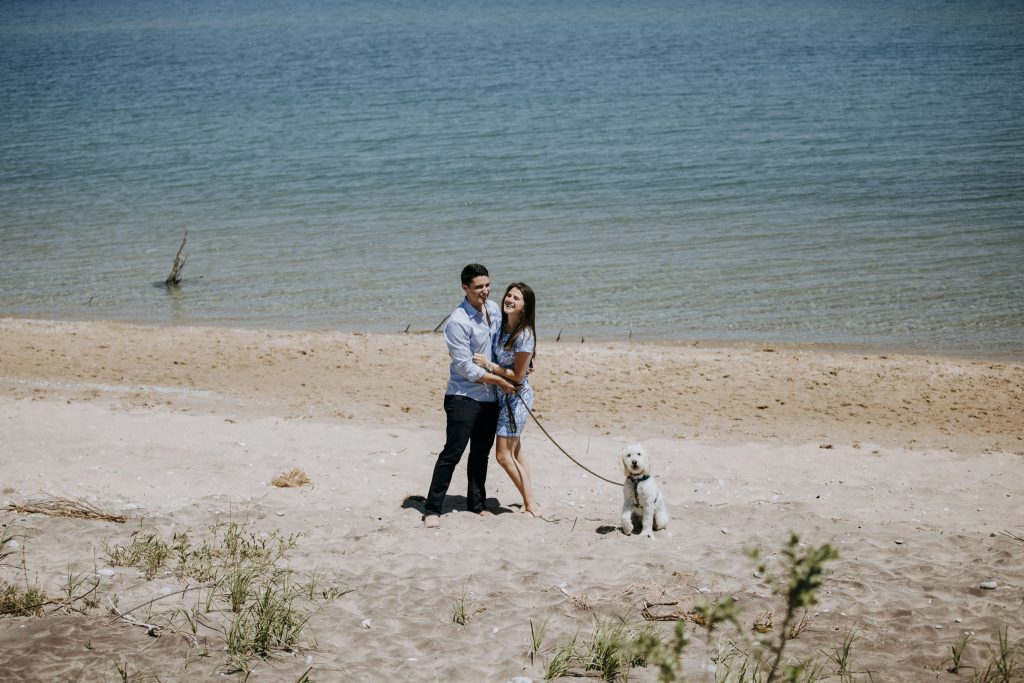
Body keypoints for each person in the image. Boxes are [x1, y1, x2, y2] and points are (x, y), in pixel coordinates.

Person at [423, 264, 515, 528]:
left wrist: (511, 371)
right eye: (478, 287)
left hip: (490, 398)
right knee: (452, 453)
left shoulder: (495, 309)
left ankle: (477, 504)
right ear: (465, 288)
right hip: (463, 396)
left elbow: (503, 344)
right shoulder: (458, 322)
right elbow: (465, 367)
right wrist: (500, 380)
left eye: (487, 285)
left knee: (480, 455)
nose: (485, 291)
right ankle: (432, 509)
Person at [473, 282, 540, 517]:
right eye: (509, 295)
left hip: (517, 399)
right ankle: (528, 499)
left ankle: (532, 504)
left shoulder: (524, 335)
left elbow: (520, 376)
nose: (510, 300)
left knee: (503, 455)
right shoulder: (502, 325)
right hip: (502, 396)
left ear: (525, 307)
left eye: (517, 298)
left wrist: (489, 365)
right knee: (517, 451)